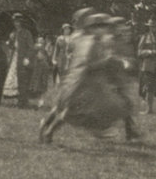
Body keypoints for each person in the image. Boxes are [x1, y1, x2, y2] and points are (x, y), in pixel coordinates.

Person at [40, 13, 140, 144]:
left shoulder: (96, 41)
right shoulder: (91, 43)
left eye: (103, 27)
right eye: (98, 27)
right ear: (92, 29)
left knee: (71, 109)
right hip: (83, 82)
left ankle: (48, 129)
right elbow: (88, 64)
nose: (102, 30)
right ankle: (49, 132)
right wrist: (107, 61)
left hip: (89, 82)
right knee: (69, 111)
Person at [4, 13, 35, 107]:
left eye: (18, 22)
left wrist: (27, 58)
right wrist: (9, 41)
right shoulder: (13, 33)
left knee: (23, 79)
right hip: (14, 58)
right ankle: (17, 100)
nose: (16, 23)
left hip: (23, 58)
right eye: (15, 22)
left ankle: (23, 101)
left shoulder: (27, 33)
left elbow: (31, 47)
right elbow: (11, 47)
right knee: (15, 79)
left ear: (21, 22)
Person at [31, 36, 53, 108]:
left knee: (42, 89)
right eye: (39, 40)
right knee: (38, 89)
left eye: (42, 40)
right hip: (38, 73)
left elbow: (47, 58)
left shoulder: (44, 50)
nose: (40, 42)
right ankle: (39, 101)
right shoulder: (36, 48)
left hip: (42, 74)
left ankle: (41, 101)